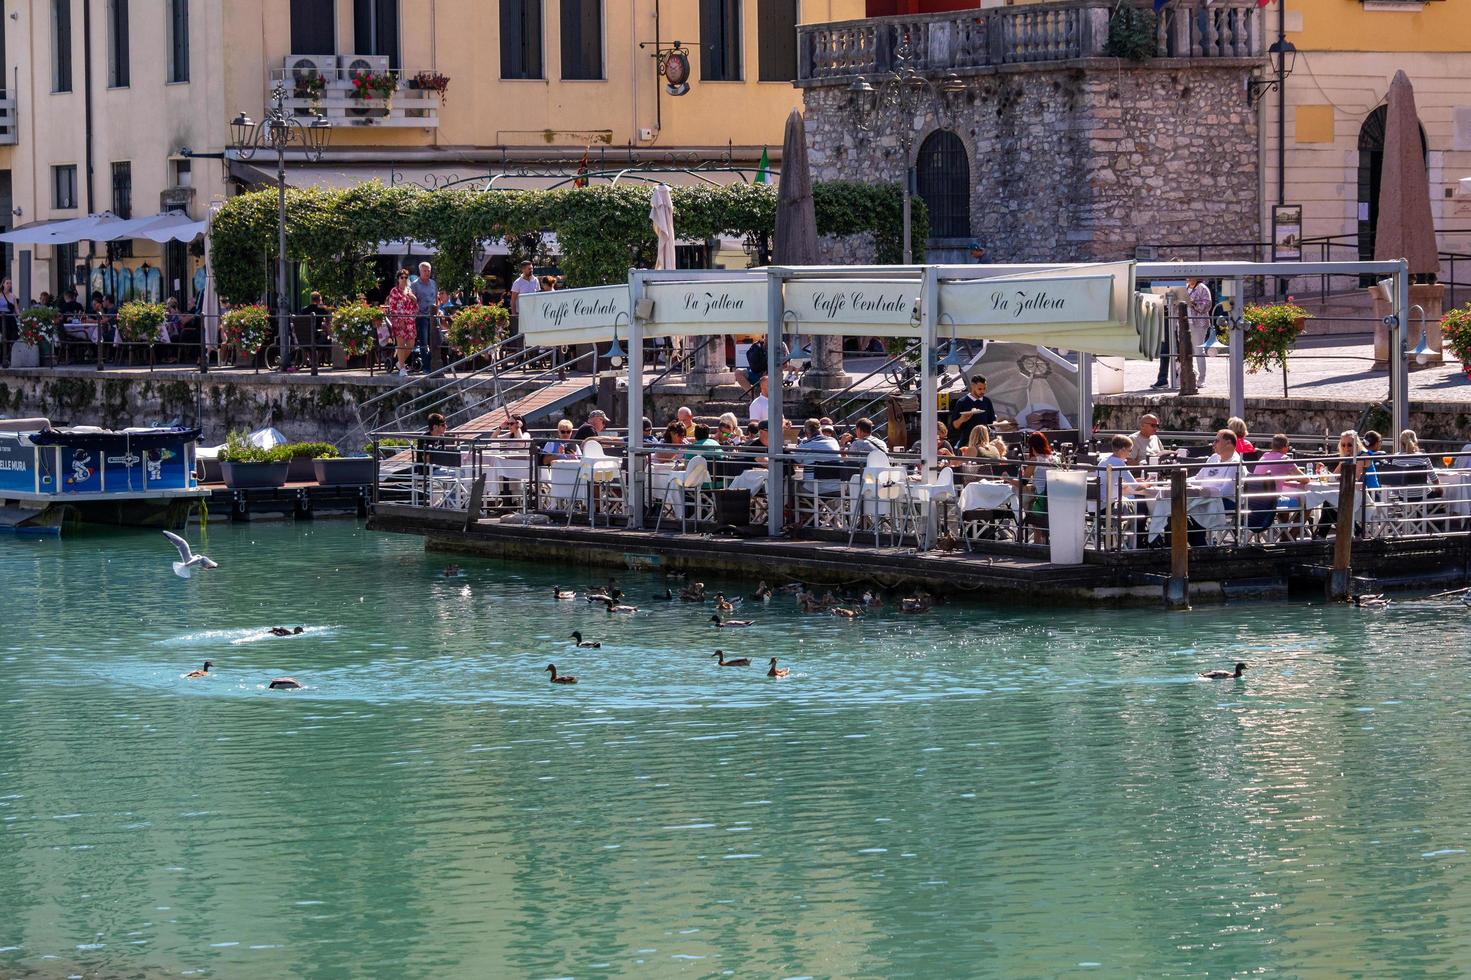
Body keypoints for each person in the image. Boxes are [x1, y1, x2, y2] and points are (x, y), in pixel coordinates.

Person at [1096, 434, 1145, 547]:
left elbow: (1115, 481)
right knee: (1141, 504)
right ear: (1122, 449)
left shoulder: (1104, 460)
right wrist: (1149, 483)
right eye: (1130, 450)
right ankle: (1137, 542)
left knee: (1136, 501)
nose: (1130, 454)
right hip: (1109, 507)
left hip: (1096, 506)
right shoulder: (1118, 463)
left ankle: (1128, 542)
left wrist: (1137, 481)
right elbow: (1136, 487)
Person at [1021, 432, 1058, 543]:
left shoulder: (1035, 460)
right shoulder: (1054, 459)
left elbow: (1022, 482)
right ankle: (1042, 540)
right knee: (1030, 500)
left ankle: (1038, 543)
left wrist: (1007, 478)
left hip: (1041, 501)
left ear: (1032, 446)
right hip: (1054, 499)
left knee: (1026, 503)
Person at [1194, 429, 1242, 510]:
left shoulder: (1236, 464)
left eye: (1217, 441)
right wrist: (1181, 482)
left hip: (1223, 502)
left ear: (1228, 443)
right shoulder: (1213, 458)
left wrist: (1204, 492)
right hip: (1204, 499)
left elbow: (1227, 492)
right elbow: (1197, 479)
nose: (1213, 444)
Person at [386, 269, 419, 377]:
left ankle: (399, 363)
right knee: (401, 345)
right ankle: (402, 368)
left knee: (410, 345)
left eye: (406, 277)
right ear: (398, 279)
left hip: (410, 321)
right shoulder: (394, 291)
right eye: (402, 277)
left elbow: (415, 307)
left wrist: (414, 299)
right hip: (399, 321)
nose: (404, 279)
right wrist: (399, 320)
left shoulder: (409, 290)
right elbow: (392, 307)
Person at [949, 375, 996, 448]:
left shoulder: (987, 401)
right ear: (973, 386)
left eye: (984, 389)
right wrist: (962, 419)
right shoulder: (962, 402)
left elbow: (991, 422)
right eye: (980, 389)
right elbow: (954, 426)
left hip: (984, 442)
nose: (983, 391)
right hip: (967, 442)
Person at [409, 261, 438, 373]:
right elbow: (412, 302)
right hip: (421, 317)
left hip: (433, 316)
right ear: (420, 271)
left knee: (436, 341)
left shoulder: (433, 283)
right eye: (424, 271)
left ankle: (433, 364)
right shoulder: (415, 285)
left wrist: (437, 311)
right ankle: (426, 367)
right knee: (424, 342)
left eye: (428, 271)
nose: (427, 273)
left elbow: (436, 299)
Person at [1186, 276, 1212, 386]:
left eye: (1191, 277)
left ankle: (1202, 379)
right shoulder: (1185, 287)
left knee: (1198, 350)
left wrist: (1192, 303)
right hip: (1185, 323)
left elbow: (1206, 305)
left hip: (1199, 324)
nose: (1189, 279)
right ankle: (1191, 373)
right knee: (1185, 350)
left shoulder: (1202, 288)